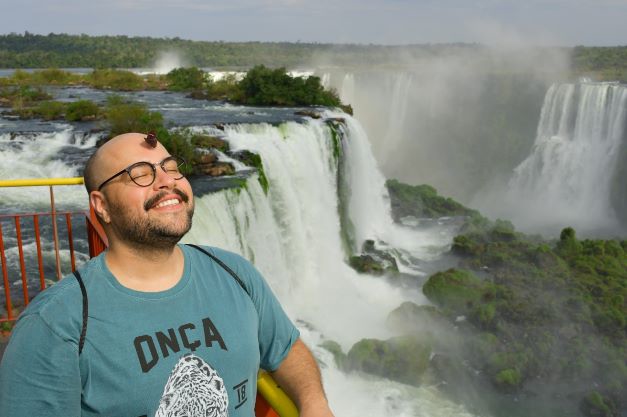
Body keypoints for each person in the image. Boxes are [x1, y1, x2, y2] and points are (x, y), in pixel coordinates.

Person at [0, 132, 335, 417]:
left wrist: (314, 402)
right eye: (140, 173)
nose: (166, 182)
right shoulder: (55, 325)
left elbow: (286, 348)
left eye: (171, 168)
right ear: (100, 205)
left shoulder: (235, 273)